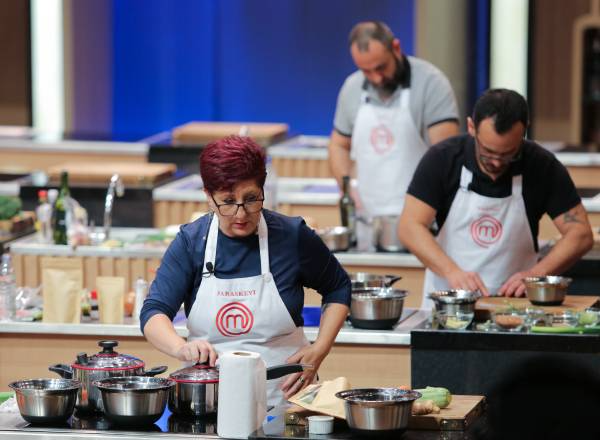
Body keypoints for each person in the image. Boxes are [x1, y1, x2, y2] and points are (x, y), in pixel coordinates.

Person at [141, 136, 351, 406]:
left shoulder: (291, 236)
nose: (241, 214)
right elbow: (153, 312)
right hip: (208, 403)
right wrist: (181, 347)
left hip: (286, 401)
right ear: (208, 196)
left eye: (251, 199)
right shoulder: (191, 243)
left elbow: (338, 286)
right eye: (227, 202)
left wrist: (320, 348)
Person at [398, 88, 593, 307]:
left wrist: (536, 274)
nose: (497, 163)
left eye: (508, 153)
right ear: (471, 127)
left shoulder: (542, 165)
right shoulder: (442, 159)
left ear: (524, 133)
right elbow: (409, 226)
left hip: (516, 306)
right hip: (450, 304)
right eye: (488, 152)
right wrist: (451, 271)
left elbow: (580, 234)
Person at [328, 21, 459, 219]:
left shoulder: (431, 83)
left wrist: (426, 210)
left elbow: (446, 155)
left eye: (381, 67)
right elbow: (339, 145)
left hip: (420, 218)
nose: (376, 78)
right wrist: (348, 189)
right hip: (367, 218)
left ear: (396, 48)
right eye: (366, 71)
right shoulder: (352, 88)